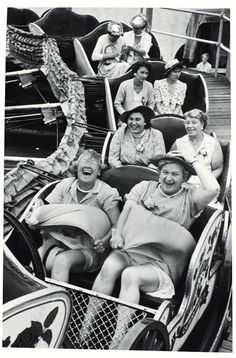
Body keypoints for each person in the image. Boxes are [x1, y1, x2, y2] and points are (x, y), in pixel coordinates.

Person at [78, 150, 220, 348]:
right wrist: (117, 233)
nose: (168, 178)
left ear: (185, 177)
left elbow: (214, 188)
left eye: (175, 174)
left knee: (130, 275)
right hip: (133, 250)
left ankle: (118, 341)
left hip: (161, 263)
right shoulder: (144, 187)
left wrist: (193, 160)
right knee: (110, 265)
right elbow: (126, 213)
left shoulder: (191, 197)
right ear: (159, 173)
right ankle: (85, 329)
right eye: (165, 172)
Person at [25, 149, 121, 283]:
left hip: (88, 249)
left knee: (62, 260)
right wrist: (36, 221)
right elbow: (48, 212)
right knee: (35, 258)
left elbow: (117, 224)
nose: (88, 165)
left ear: (99, 171)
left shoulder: (107, 193)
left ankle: (58, 301)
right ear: (77, 167)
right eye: (84, 161)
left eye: (93, 163)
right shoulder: (65, 185)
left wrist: (103, 242)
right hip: (59, 241)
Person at [170, 108, 223, 190]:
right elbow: (170, 164)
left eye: (194, 122)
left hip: (206, 186)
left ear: (202, 125)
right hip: (183, 186)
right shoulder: (178, 143)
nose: (189, 126)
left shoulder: (213, 143)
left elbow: (218, 168)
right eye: (187, 123)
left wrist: (206, 183)